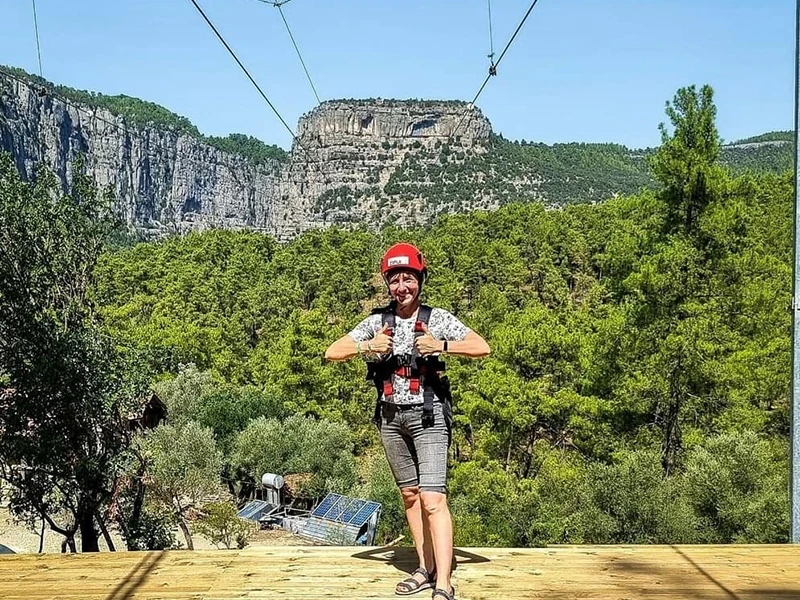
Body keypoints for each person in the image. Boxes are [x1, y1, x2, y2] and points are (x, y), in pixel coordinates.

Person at [324, 242, 490, 600]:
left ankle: (444, 582)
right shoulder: (376, 323)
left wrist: (442, 346)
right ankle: (424, 568)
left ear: (420, 279)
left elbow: (481, 347)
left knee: (433, 499)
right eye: (396, 280)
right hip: (390, 417)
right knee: (411, 496)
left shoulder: (437, 320)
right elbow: (332, 352)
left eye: (409, 279)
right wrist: (367, 348)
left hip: (428, 416)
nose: (403, 287)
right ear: (387, 283)